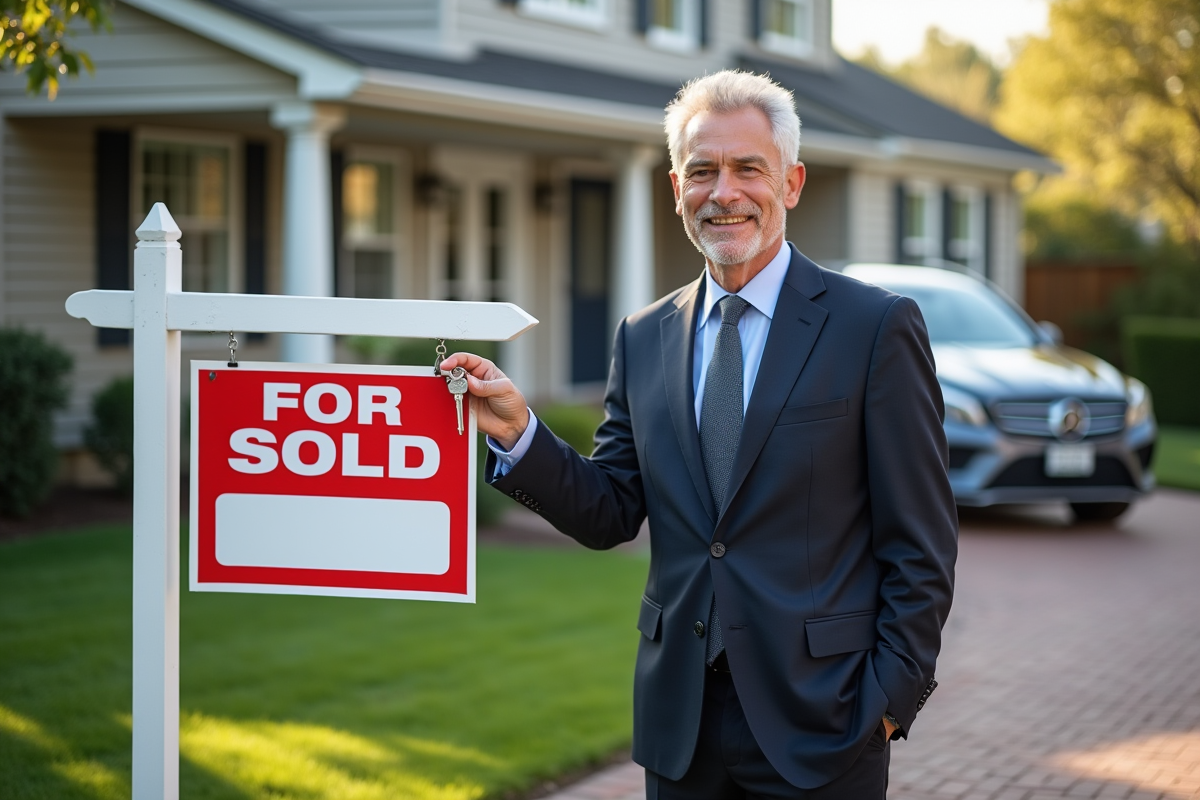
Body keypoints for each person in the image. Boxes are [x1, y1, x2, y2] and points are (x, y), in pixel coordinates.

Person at [441, 70, 957, 799]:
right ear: (675, 187)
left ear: (793, 183)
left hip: (827, 725)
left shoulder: (873, 327)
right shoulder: (645, 335)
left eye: (750, 168)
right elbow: (610, 509)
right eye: (703, 171)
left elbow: (921, 542)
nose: (725, 193)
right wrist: (521, 432)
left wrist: (888, 705)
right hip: (680, 728)